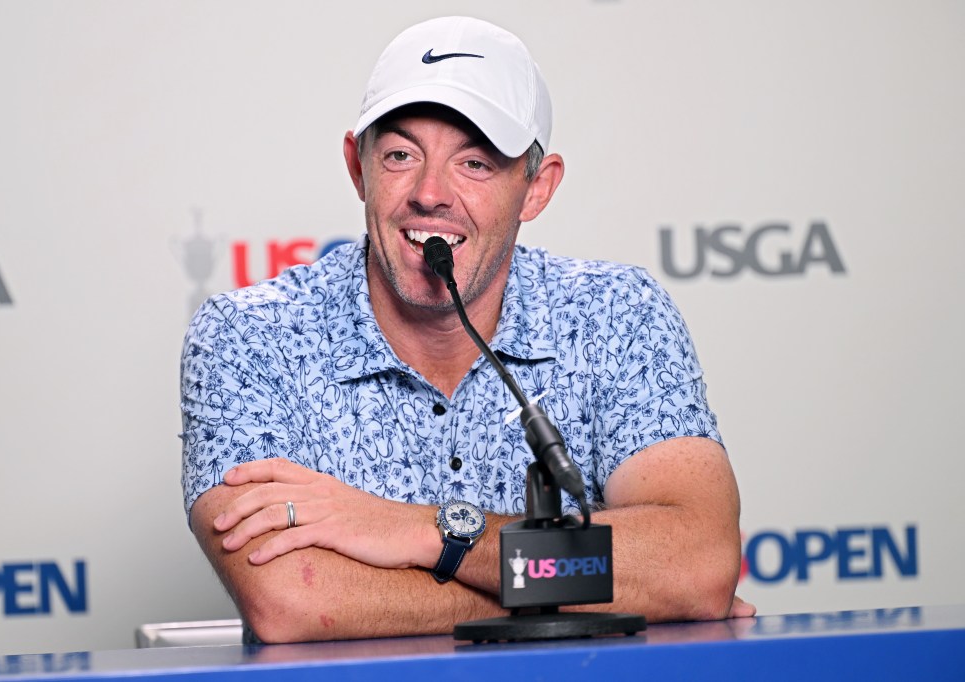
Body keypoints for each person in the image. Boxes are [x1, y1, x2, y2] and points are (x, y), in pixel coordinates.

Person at [180, 16, 754, 643]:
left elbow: (695, 562)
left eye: (475, 163)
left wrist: (424, 531)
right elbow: (294, 603)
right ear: (358, 168)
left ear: (536, 188)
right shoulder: (250, 336)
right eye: (401, 156)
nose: (430, 193)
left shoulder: (616, 313)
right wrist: (569, 599)